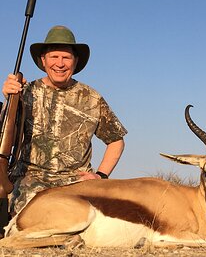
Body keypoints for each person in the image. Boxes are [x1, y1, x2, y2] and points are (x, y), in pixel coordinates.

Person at [2, 25, 127, 215]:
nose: (60, 63)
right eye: (54, 56)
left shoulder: (92, 98)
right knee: (34, 214)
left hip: (76, 182)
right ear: (43, 60)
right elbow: (5, 134)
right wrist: (9, 99)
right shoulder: (25, 93)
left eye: (66, 57)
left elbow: (116, 140)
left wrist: (100, 176)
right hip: (31, 180)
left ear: (75, 62)